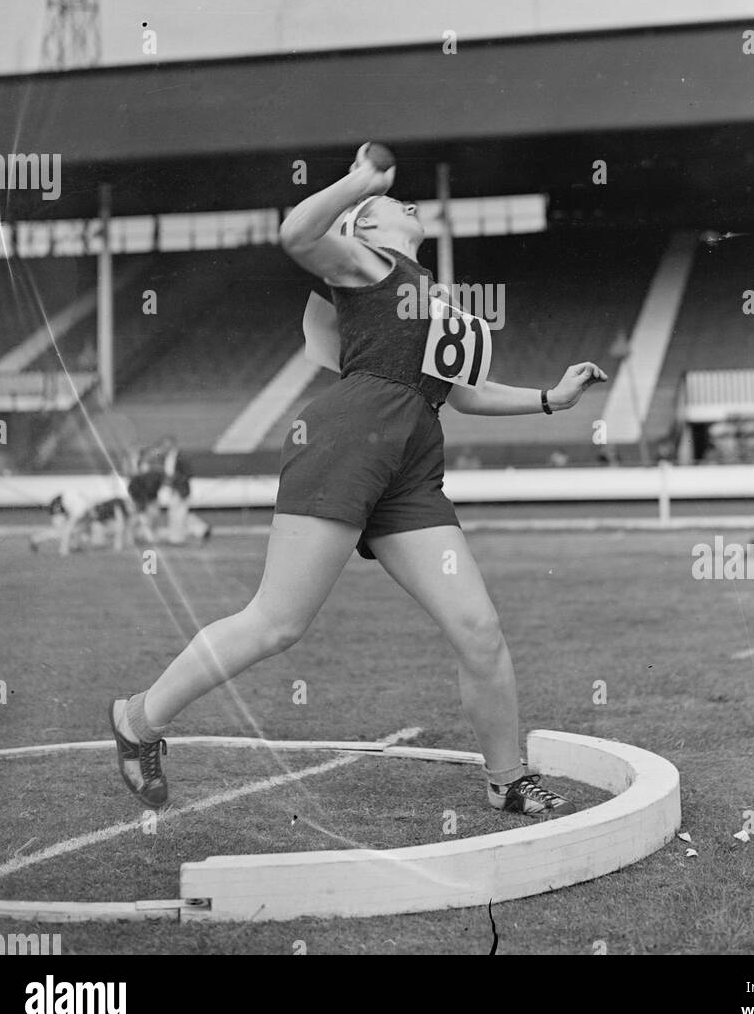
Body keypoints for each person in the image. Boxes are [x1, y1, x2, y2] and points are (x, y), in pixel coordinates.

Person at [110, 146, 607, 817]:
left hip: (413, 457)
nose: (404, 204)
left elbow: (466, 394)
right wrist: (357, 184)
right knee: (278, 622)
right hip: (348, 439)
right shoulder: (367, 262)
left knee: (477, 627)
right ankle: (139, 721)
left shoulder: (434, 294)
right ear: (364, 227)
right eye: (384, 205)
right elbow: (296, 235)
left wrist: (553, 398)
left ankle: (507, 779)